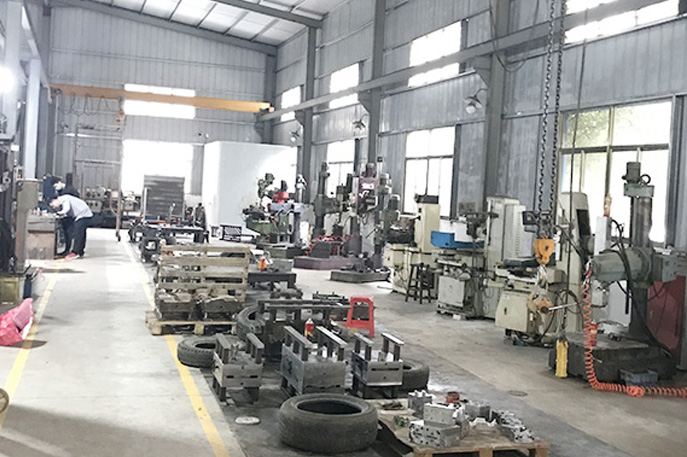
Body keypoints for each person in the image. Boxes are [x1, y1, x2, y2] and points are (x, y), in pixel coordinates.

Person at [50, 194, 93, 259]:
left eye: (53, 205)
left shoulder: (64, 199)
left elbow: (66, 209)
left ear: (54, 200)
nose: (54, 207)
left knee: (78, 234)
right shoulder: (64, 199)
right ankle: (78, 252)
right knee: (79, 233)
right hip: (82, 214)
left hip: (84, 214)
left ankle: (75, 252)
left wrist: (58, 213)